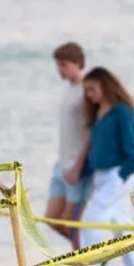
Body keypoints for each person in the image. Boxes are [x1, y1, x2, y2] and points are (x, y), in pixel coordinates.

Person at [73, 67, 134, 266]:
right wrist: (81, 172)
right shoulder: (98, 116)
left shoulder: (121, 112)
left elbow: (133, 148)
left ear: (105, 86)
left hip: (117, 174)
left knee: (91, 220)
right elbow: (97, 150)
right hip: (101, 176)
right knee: (122, 226)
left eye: (92, 89)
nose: (89, 94)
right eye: (86, 90)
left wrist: (123, 174)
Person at [47, 42, 90, 249]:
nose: (59, 70)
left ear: (77, 63)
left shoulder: (86, 91)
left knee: (73, 223)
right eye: (57, 65)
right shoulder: (68, 89)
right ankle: (92, 254)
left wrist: (78, 167)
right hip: (61, 163)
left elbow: (91, 132)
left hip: (77, 166)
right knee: (52, 218)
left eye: (63, 65)